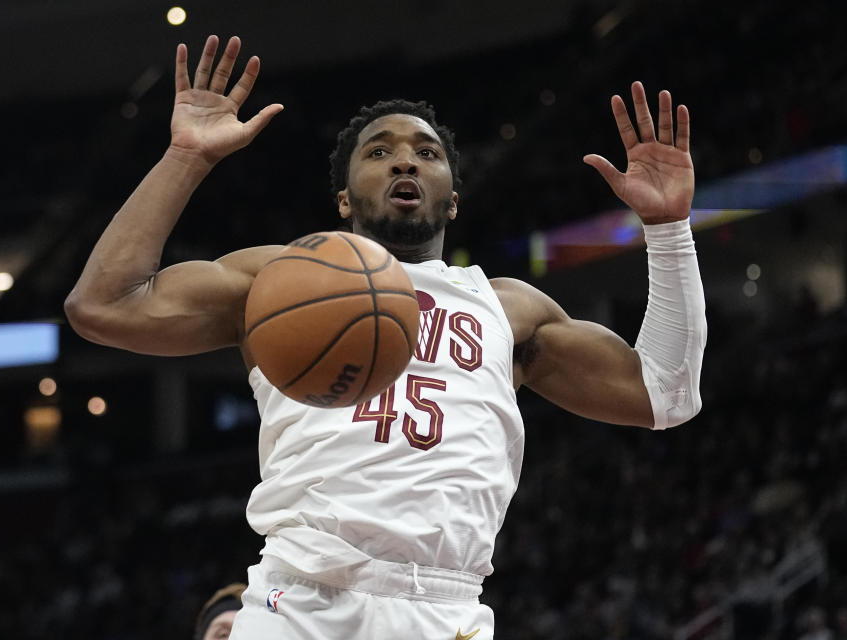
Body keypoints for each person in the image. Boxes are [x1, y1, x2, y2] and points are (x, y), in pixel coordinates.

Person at [65, 34, 707, 639]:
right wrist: (186, 157)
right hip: (305, 596)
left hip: (447, 607)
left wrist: (670, 229)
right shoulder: (277, 277)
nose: (405, 158)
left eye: (427, 154)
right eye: (379, 152)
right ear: (343, 198)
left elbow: (665, 394)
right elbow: (104, 305)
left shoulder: (509, 309)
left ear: (453, 198)